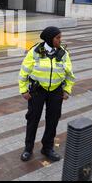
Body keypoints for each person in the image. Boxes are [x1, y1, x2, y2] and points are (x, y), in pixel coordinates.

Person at [19, 27, 76, 162]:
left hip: (56, 91)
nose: (60, 40)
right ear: (50, 39)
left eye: (60, 37)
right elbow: (24, 71)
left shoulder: (63, 53)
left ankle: (47, 148)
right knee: (33, 120)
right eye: (58, 38)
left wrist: (67, 89)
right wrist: (24, 90)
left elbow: (70, 74)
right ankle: (28, 148)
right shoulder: (35, 52)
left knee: (53, 120)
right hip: (37, 91)